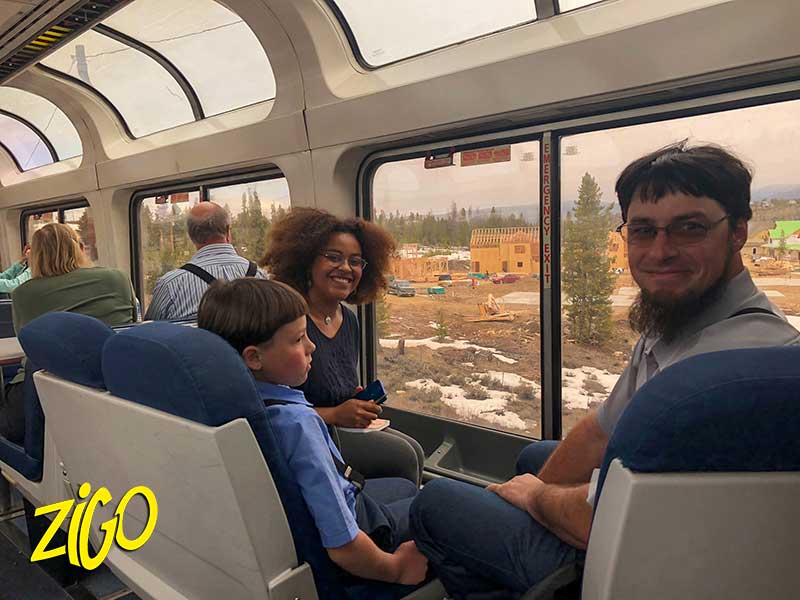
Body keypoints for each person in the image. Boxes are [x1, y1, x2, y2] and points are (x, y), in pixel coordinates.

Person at [409, 141, 800, 598]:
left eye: (689, 228)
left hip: (652, 568)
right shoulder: (679, 324)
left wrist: (535, 498)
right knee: (536, 459)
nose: (660, 251)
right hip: (639, 523)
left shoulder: (734, 372)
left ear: (738, 232)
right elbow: (599, 430)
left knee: (435, 504)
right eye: (643, 230)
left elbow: (613, 518)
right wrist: (531, 492)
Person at [197, 278, 428, 597]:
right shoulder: (297, 423)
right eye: (299, 339)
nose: (311, 346)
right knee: (438, 504)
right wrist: (395, 568)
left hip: (320, 512)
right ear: (254, 358)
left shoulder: (230, 403)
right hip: (358, 537)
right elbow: (342, 544)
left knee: (404, 487)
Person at [261, 208, 425, 485]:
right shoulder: (287, 323)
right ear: (306, 261)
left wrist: (353, 400)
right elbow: (270, 410)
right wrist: (336, 414)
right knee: (404, 457)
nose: (346, 268)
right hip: (304, 435)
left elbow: (335, 384)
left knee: (416, 450)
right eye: (334, 257)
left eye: (355, 261)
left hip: (339, 426)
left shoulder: (349, 320)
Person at [1, 223, 136, 443]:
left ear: (33, 257)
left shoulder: (23, 293)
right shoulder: (117, 278)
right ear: (80, 248)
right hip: (114, 387)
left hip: (40, 395)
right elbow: (131, 325)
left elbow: (27, 343)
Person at [144, 202, 265, 321]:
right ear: (228, 231)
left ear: (191, 236)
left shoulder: (170, 285)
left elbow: (149, 329)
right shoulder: (260, 276)